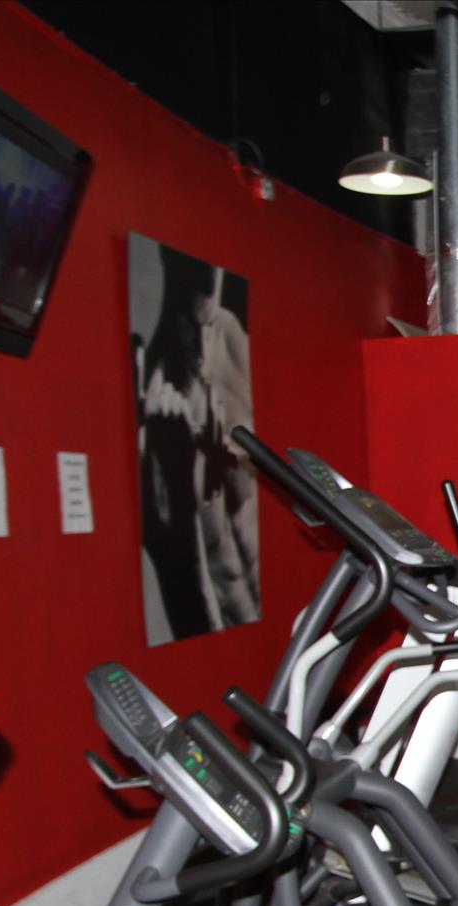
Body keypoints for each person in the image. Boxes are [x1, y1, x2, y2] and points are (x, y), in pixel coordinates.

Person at [137, 244, 258, 642]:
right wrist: (181, 489)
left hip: (269, 629)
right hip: (222, 627)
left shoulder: (230, 339)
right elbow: (183, 581)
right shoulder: (161, 398)